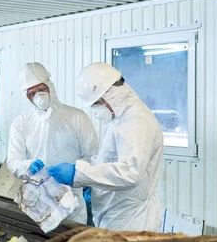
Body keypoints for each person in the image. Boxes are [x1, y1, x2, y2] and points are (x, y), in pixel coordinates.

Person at [47, 62, 163, 231]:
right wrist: (91, 181)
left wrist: (78, 173)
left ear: (110, 95)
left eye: (96, 104)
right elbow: (107, 158)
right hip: (116, 213)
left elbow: (130, 173)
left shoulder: (137, 121)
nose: (95, 110)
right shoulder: (119, 117)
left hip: (132, 220)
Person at [7, 62, 98, 224]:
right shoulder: (21, 123)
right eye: (31, 93)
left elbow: (94, 156)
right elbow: (13, 162)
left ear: (50, 86)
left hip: (72, 207)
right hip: (37, 206)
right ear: (26, 97)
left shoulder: (77, 118)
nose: (38, 96)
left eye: (41, 89)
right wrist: (27, 166)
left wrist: (75, 171)